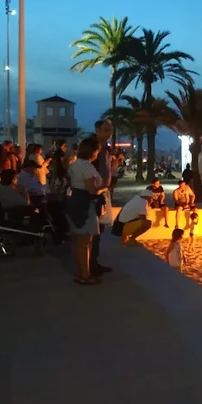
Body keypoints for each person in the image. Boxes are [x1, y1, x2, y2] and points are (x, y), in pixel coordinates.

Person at [66, 138, 107, 285]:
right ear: (92, 151)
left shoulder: (75, 164)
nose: (97, 153)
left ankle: (78, 272)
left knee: (76, 241)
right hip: (85, 204)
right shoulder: (87, 167)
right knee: (85, 241)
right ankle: (85, 274)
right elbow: (91, 189)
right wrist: (103, 188)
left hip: (74, 202)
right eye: (97, 151)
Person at [89, 119, 115, 276]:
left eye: (110, 130)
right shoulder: (92, 147)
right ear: (97, 129)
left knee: (100, 229)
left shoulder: (104, 147)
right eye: (105, 129)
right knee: (94, 230)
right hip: (95, 192)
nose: (108, 133)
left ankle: (93, 261)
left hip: (102, 191)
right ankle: (90, 264)